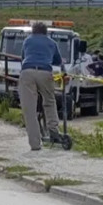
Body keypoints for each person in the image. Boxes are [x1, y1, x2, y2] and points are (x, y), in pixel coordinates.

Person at [18, 21, 65, 151]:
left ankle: (35, 144)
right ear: (46, 31)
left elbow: (23, 57)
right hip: (45, 72)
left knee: (30, 110)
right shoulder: (51, 43)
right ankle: (53, 130)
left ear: (33, 31)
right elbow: (57, 61)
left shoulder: (27, 41)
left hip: (27, 71)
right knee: (49, 101)